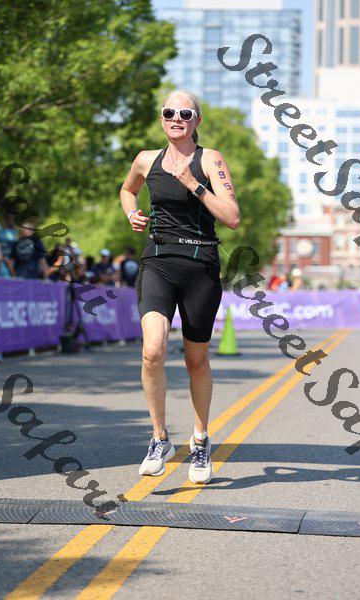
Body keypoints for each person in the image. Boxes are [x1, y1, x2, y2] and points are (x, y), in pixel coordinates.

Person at [120, 89, 240, 484]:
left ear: (196, 121)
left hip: (201, 266)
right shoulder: (146, 159)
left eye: (185, 114)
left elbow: (232, 217)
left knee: (196, 361)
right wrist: (132, 214)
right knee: (152, 349)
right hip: (158, 261)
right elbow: (127, 190)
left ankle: (200, 440)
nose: (176, 118)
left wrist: (195, 185)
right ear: (162, 118)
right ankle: (159, 439)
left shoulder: (210, 160)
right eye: (169, 112)